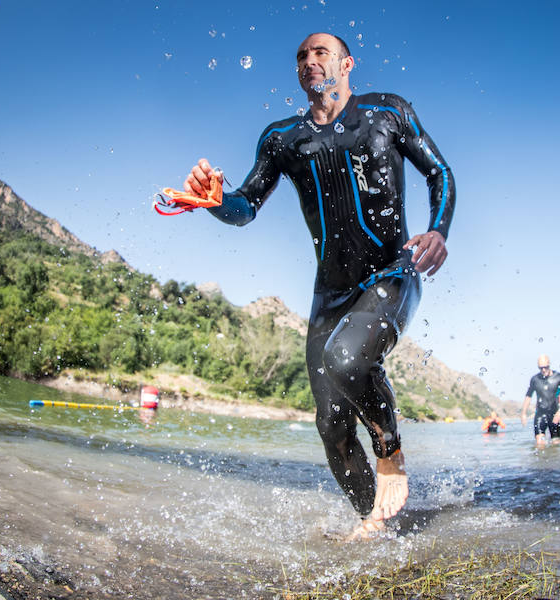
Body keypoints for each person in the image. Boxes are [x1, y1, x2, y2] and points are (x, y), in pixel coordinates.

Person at [183, 33, 455, 540]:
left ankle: (390, 450)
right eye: (302, 56)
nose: (310, 60)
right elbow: (245, 206)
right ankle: (377, 526)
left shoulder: (386, 112)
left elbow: (438, 172)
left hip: (392, 274)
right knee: (331, 425)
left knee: (347, 360)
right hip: (330, 294)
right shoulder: (282, 139)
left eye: (321, 52)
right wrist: (215, 200)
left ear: (347, 64)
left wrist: (438, 230)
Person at [520, 355, 560, 447]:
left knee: (556, 444)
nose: (543, 370)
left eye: (545, 367)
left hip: (555, 414)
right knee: (539, 443)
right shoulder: (535, 379)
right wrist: (523, 413)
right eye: (540, 368)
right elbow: (528, 396)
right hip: (540, 414)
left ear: (549, 364)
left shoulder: (559, 377)